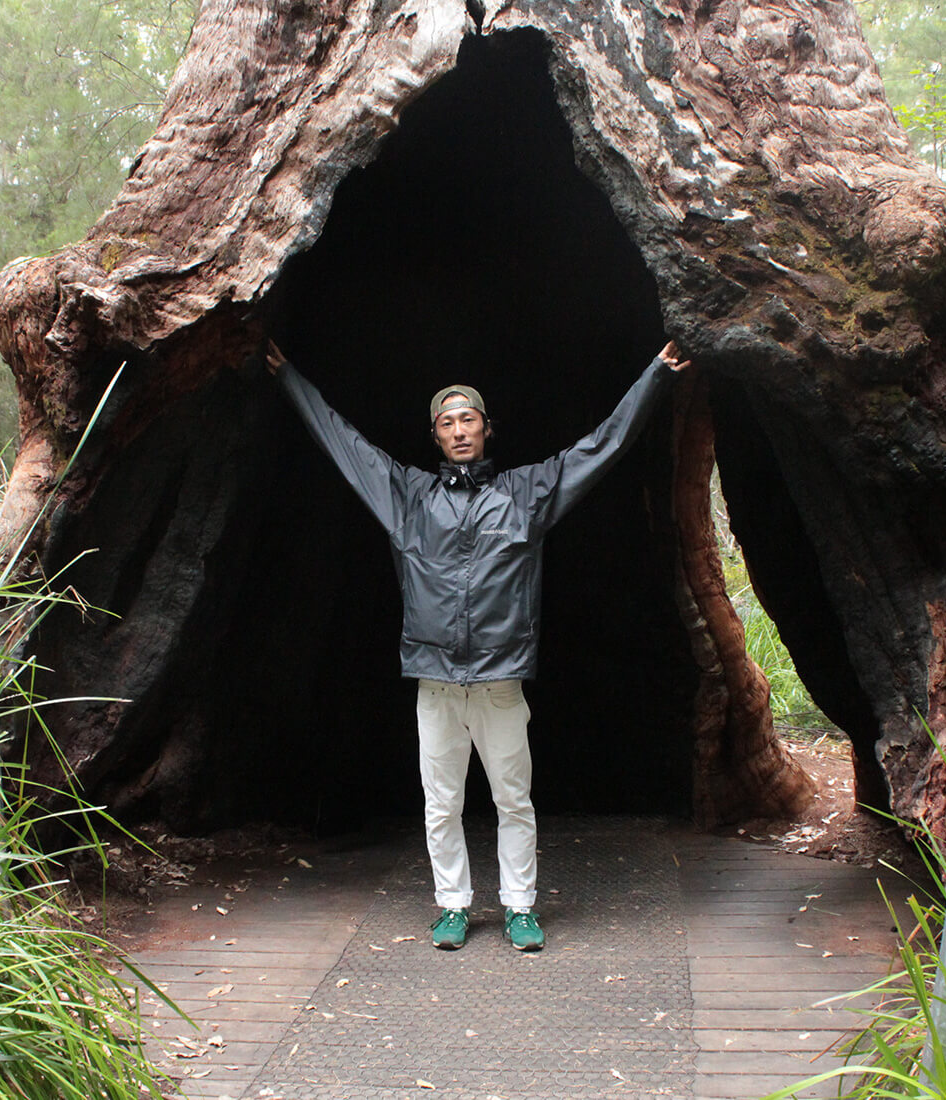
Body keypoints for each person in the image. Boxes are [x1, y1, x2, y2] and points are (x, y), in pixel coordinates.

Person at [267, 339, 692, 951]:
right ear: (435, 436)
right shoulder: (408, 497)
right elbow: (343, 442)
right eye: (447, 422)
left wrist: (655, 376)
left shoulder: (527, 492)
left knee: (512, 800)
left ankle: (520, 907)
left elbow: (603, 446)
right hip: (436, 681)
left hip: (499, 681)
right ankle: (452, 906)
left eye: (468, 419)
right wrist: (289, 378)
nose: (459, 430)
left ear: (487, 429)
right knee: (441, 805)